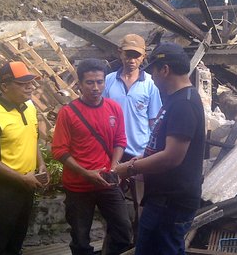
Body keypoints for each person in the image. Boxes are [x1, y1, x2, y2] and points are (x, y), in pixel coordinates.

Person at [114, 42, 206, 255]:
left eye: (153, 72)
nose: (152, 78)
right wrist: (142, 159)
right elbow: (162, 148)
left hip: (171, 203)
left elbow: (171, 157)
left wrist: (130, 168)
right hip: (163, 200)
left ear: (165, 70)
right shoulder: (176, 100)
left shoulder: (184, 103)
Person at [52, 59, 133, 255]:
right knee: (80, 239)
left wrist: (113, 168)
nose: (96, 88)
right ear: (79, 84)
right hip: (79, 186)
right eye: (90, 82)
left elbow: (120, 140)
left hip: (108, 183)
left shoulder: (114, 108)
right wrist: (86, 173)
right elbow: (59, 150)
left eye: (100, 82)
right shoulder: (68, 113)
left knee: (123, 230)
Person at [0, 61, 48, 255]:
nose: (30, 87)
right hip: (1, 190)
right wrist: (22, 178)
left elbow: (32, 139)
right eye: (23, 83)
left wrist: (41, 165)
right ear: (5, 86)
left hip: (26, 186)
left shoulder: (29, 107)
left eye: (31, 82)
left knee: (16, 242)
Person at [103, 34, 162, 163]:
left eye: (136, 56)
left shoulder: (150, 84)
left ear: (143, 57)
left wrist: (152, 151)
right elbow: (101, 115)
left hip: (139, 152)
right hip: (112, 149)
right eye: (128, 55)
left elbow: (154, 122)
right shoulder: (108, 81)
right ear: (120, 53)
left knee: (138, 183)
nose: (132, 60)